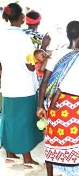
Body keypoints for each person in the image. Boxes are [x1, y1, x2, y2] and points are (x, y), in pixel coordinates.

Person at [37, 20, 79, 176]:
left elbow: (44, 84)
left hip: (55, 107)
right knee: (74, 144)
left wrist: (40, 107)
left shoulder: (56, 53)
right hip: (74, 109)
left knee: (54, 141)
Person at [0, 3, 43, 173]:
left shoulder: (2, 36)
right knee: (25, 123)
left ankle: (10, 154)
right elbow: (31, 66)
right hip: (24, 87)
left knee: (10, 120)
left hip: (9, 86)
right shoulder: (24, 38)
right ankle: (27, 159)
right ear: (22, 18)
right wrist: (41, 58)